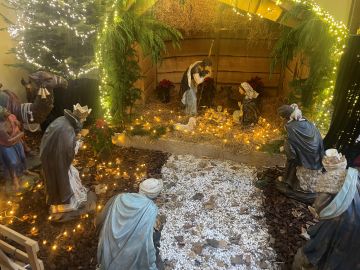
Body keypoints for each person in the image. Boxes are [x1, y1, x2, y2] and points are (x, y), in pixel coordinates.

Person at [293, 149, 360, 270]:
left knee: (318, 248)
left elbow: (320, 204)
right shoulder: (354, 176)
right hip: (356, 230)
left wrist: (319, 213)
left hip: (338, 223)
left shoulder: (330, 177)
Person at [96, 178, 163, 270]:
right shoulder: (150, 209)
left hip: (110, 249)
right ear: (155, 194)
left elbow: (100, 221)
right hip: (132, 256)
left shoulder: (119, 198)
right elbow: (146, 242)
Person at [40, 103, 93, 219]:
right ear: (80, 119)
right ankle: (65, 202)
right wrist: (77, 144)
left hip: (50, 157)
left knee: (65, 177)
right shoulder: (68, 130)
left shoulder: (62, 120)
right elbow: (68, 152)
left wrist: (75, 140)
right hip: (58, 162)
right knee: (64, 180)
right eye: (83, 120)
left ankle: (60, 200)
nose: (83, 123)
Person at [277, 104, 324, 203]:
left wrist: (283, 147)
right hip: (317, 154)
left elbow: (291, 148)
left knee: (292, 160)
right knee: (294, 157)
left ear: (283, 117)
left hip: (307, 157)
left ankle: (288, 182)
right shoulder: (305, 120)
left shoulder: (290, 126)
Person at [0, 106, 26, 190]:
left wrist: (18, 124)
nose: (7, 109)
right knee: (12, 162)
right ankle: (14, 178)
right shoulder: (1, 127)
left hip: (17, 142)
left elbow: (18, 128)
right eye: (4, 110)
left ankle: (24, 171)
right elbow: (8, 141)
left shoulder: (12, 117)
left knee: (22, 157)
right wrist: (21, 135)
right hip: (7, 146)